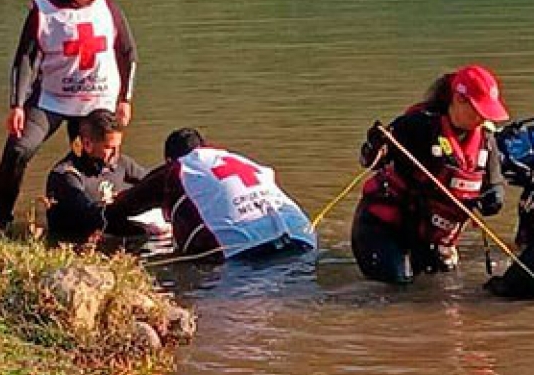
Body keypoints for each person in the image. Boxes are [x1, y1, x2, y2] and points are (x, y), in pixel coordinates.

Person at [0, 0, 138, 232]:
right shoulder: (44, 11)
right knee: (18, 150)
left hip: (97, 100)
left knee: (96, 161)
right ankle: (0, 221)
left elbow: (128, 53)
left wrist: (125, 99)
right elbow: (25, 59)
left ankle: (94, 225)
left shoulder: (108, 7)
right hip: (52, 99)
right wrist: (17, 104)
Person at [352, 65, 507, 284]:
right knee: (396, 288)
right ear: (459, 100)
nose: (483, 118)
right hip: (383, 228)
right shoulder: (418, 126)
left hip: (433, 239)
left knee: (442, 293)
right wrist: (375, 144)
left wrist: (494, 199)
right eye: (478, 111)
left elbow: (495, 185)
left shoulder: (486, 142)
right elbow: (369, 161)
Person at [105, 128, 317, 261]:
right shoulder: (236, 158)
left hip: (240, 250)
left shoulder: (178, 169)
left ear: (169, 161)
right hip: (301, 237)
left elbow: (121, 209)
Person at [44, 108, 164, 245]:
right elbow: (88, 216)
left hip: (117, 230)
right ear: (87, 144)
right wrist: (126, 202)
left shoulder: (121, 163)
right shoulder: (66, 176)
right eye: (109, 147)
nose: (116, 153)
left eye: (118, 146)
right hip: (82, 245)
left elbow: (154, 183)